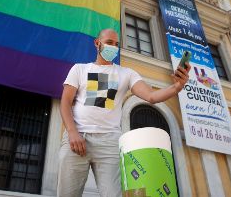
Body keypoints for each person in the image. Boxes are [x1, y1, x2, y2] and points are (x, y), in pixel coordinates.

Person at [57, 29, 190, 197]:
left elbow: (151, 96)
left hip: (110, 143)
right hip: (77, 138)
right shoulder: (79, 69)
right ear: (97, 43)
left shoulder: (126, 74)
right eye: (109, 43)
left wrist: (177, 87)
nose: (113, 47)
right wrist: (72, 132)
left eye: (117, 44)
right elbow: (65, 102)